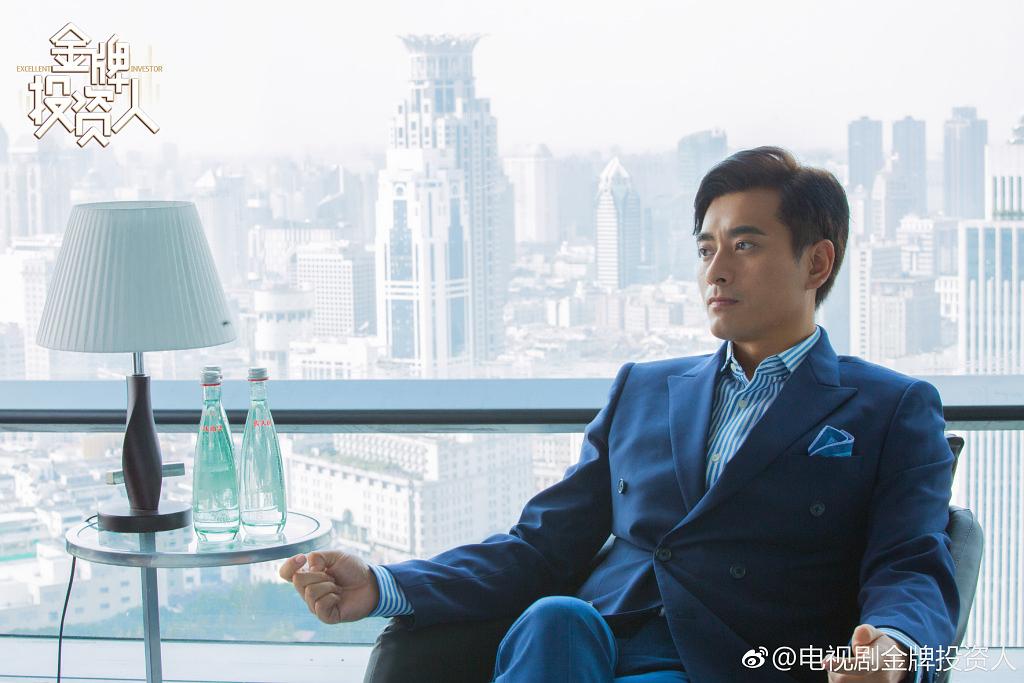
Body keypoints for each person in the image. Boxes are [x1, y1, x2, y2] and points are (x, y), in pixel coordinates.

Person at [279, 147, 958, 682]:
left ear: (817, 262)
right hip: (581, 647)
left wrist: (892, 645)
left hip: (729, 662)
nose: (715, 271)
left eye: (745, 245)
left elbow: (910, 564)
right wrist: (383, 584)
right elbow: (539, 547)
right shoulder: (644, 388)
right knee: (555, 616)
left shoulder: (891, 408)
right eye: (706, 248)